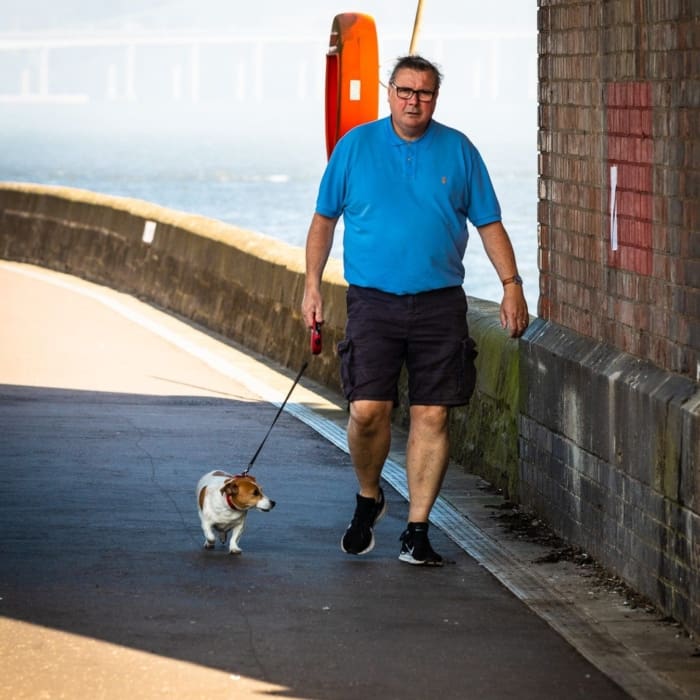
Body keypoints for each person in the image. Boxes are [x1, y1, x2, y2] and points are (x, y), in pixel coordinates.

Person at [301, 54, 529, 566]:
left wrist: (512, 285)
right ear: (390, 92)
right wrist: (312, 286)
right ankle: (369, 495)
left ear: (435, 98)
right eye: (405, 91)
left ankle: (417, 530)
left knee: (433, 415)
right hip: (372, 301)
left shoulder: (459, 150)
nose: (414, 101)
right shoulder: (355, 147)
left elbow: (489, 223)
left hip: (439, 304)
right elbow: (323, 220)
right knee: (366, 413)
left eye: (424, 93)